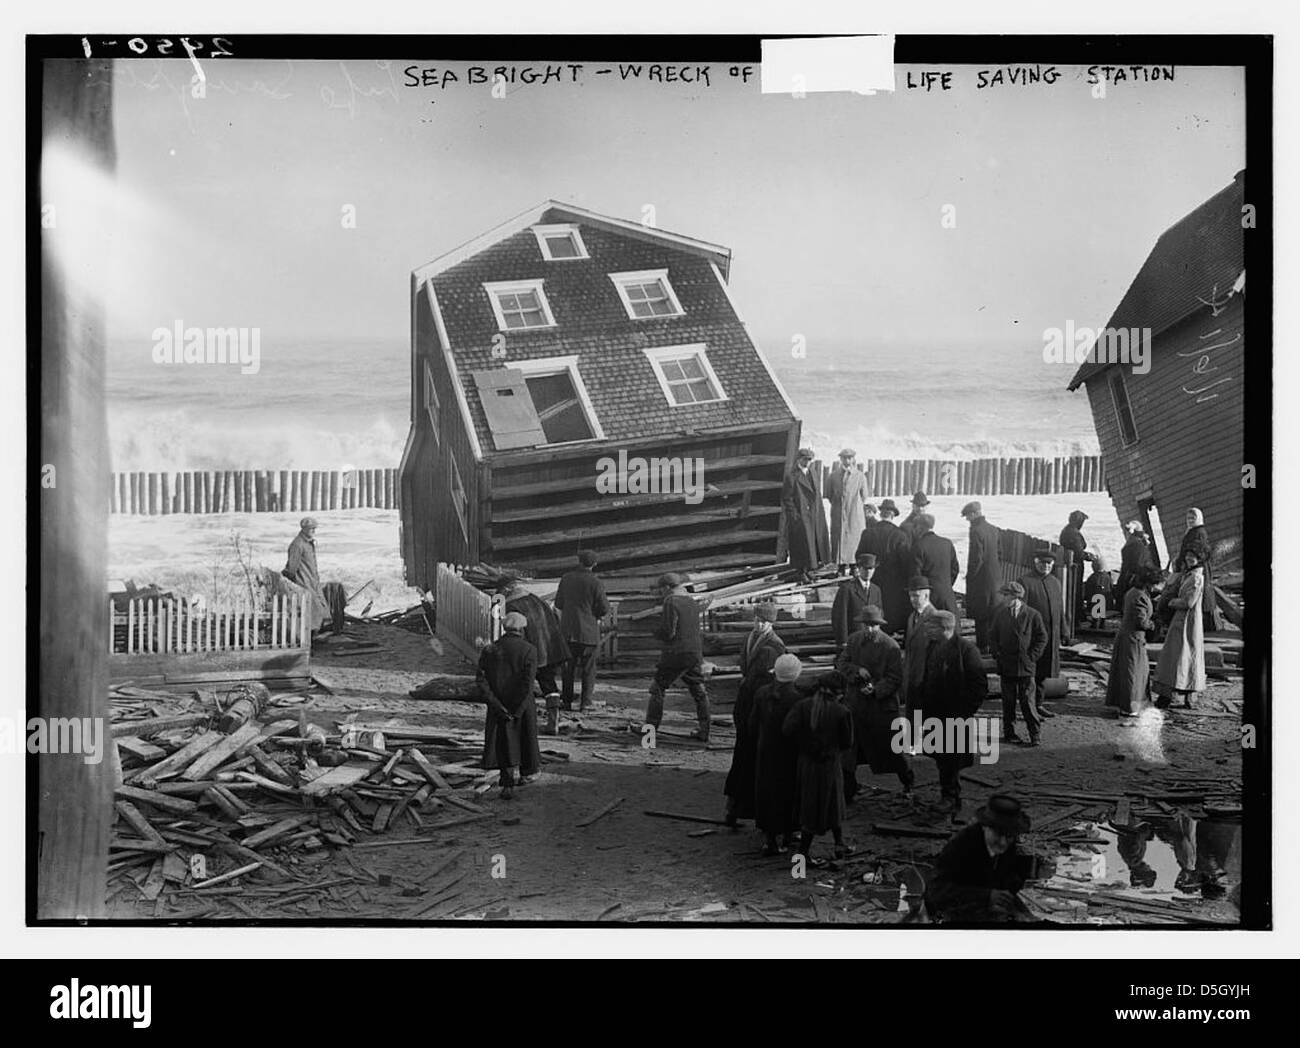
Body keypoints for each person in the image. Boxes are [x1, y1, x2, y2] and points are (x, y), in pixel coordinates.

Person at [912, 610, 988, 820]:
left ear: (944, 628)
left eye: (931, 626)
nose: (926, 630)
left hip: (955, 716)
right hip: (935, 714)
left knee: (951, 760)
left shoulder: (966, 650)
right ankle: (949, 795)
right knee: (941, 758)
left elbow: (980, 686)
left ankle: (951, 798)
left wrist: (964, 711)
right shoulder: (933, 646)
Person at [835, 604, 913, 801]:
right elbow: (841, 664)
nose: (869, 629)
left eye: (873, 625)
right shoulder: (853, 640)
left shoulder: (890, 647)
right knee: (849, 753)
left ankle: (907, 781)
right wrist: (856, 670)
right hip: (855, 705)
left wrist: (876, 689)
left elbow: (895, 678)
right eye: (866, 625)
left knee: (892, 751)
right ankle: (848, 791)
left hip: (881, 708)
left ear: (879, 625)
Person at [924, 794, 1035, 923]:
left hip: (988, 906)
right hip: (954, 911)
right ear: (985, 827)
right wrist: (987, 896)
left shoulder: (1009, 845)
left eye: (1009, 836)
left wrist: (1021, 912)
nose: (1003, 842)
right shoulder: (960, 846)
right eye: (998, 835)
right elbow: (935, 893)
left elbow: (1009, 883)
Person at [782, 670, 855, 863]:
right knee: (832, 804)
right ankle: (833, 845)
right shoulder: (841, 711)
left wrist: (806, 746)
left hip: (807, 764)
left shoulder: (802, 706)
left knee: (810, 805)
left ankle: (808, 849)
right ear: (839, 692)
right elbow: (847, 742)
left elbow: (787, 730)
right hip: (830, 765)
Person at [724, 604, 785, 827]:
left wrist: (748, 684)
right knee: (743, 758)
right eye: (757, 620)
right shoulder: (751, 638)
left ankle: (749, 811)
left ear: (772, 623)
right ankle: (733, 808)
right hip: (746, 704)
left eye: (764, 621)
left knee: (753, 761)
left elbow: (766, 678)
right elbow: (744, 665)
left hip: (759, 705)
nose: (759, 624)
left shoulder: (774, 646)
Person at [477, 612, 540, 799]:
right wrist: (518, 709)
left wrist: (496, 704)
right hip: (522, 704)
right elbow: (528, 683)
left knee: (502, 742)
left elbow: (481, 681)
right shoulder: (529, 650)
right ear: (521, 629)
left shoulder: (490, 650)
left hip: (498, 705)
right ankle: (526, 774)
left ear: (504, 628)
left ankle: (507, 781)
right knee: (524, 739)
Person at [499, 574, 570, 735]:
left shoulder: (513, 605)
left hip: (531, 651)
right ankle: (554, 720)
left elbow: (518, 631)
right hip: (551, 648)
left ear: (506, 590)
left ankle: (524, 721)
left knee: (523, 686)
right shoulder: (536, 600)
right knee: (549, 685)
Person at [645, 573, 711, 741]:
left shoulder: (671, 601)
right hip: (694, 653)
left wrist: (655, 633)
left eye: (661, 590)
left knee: (657, 688)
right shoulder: (691, 601)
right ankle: (704, 731)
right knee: (699, 690)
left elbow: (669, 632)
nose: (661, 593)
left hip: (676, 653)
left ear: (667, 587)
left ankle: (650, 731)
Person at [751, 654, 804, 856]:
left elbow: (752, 724)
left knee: (767, 792)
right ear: (796, 674)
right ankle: (790, 831)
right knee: (790, 792)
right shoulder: (798, 699)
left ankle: (769, 838)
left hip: (766, 750)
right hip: (789, 752)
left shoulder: (762, 693)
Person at [989, 582, 1047, 746]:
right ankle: (1009, 733)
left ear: (1016, 597)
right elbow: (992, 636)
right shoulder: (1000, 614)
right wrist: (997, 654)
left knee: (1028, 703)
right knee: (1008, 703)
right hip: (1006, 665)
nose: (1004, 598)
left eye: (1006, 595)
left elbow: (1042, 638)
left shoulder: (1032, 614)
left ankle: (1035, 734)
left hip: (1025, 667)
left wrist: (1032, 656)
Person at [554, 550, 608, 713]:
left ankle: (567, 702)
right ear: (595, 564)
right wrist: (593, 615)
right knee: (588, 669)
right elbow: (604, 608)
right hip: (588, 632)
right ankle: (585, 703)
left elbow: (558, 603)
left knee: (567, 669)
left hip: (568, 631)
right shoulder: (595, 582)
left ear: (578, 561)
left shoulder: (566, 578)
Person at [1153, 551, 1207, 709]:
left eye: (1193, 556)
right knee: (1182, 657)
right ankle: (1185, 696)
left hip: (1186, 622)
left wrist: (1170, 602)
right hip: (1183, 621)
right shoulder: (1189, 575)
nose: (1189, 559)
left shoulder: (1196, 577)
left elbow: (1188, 602)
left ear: (1199, 559)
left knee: (1178, 657)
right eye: (1187, 556)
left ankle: (1169, 696)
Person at [1105, 566, 1160, 715]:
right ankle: (1130, 706)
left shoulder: (1132, 592)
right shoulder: (1140, 596)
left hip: (1127, 636)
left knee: (1125, 671)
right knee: (1133, 673)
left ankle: (1122, 702)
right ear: (1147, 583)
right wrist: (1153, 624)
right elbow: (1141, 621)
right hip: (1134, 638)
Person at [1020, 547, 1066, 720]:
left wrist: (1064, 630)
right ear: (1036, 562)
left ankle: (1038, 704)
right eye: (1043, 563)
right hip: (1033, 637)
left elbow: (1060, 609)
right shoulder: (1025, 581)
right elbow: (1021, 612)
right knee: (1030, 673)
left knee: (1043, 673)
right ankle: (1029, 708)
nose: (1046, 566)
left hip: (1051, 636)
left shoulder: (1055, 582)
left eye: (1049, 563)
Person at [860, 499, 912, 632]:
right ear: (893, 515)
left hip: (872, 578)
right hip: (894, 582)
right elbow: (906, 562)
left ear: (881, 514)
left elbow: (859, 556)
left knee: (874, 606)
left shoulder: (868, 533)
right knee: (891, 609)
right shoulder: (900, 535)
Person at [781, 447, 830, 580]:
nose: (808, 462)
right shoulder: (792, 476)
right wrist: (795, 517)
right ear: (799, 459)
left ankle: (810, 569)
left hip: (814, 514)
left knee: (812, 543)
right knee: (801, 543)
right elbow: (787, 499)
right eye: (805, 460)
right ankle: (801, 571)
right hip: (801, 515)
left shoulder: (813, 473)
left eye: (810, 460)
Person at [962, 502, 1001, 653]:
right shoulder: (993, 529)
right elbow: (999, 553)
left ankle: (983, 647)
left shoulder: (976, 531)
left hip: (981, 580)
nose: (967, 520)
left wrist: (970, 576)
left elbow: (976, 558)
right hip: (994, 578)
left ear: (974, 514)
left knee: (981, 614)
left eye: (967, 516)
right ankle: (993, 646)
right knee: (993, 613)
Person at [1175, 507, 1220, 633]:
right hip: (1191, 565)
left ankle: (1206, 625)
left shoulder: (1199, 532)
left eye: (1193, 518)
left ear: (1198, 518)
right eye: (1188, 518)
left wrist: (1188, 558)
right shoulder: (1192, 531)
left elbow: (1200, 550)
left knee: (1199, 592)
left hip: (1198, 567)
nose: (1190, 520)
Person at [283, 517, 329, 634]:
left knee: (320, 606)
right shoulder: (297, 545)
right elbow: (291, 568)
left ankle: (316, 632)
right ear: (303, 529)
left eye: (314, 528)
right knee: (314, 607)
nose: (313, 530)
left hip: (313, 581)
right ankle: (312, 634)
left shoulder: (309, 543)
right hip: (303, 581)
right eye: (311, 528)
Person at [826, 448, 868, 572]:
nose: (847, 461)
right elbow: (828, 494)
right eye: (844, 458)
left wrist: (854, 505)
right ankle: (841, 566)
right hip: (838, 512)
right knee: (839, 538)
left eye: (849, 458)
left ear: (853, 459)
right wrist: (839, 505)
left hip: (854, 513)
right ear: (840, 459)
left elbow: (864, 495)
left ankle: (854, 565)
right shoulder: (833, 476)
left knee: (854, 538)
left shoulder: (860, 476)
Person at [900, 576, 937, 713]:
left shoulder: (934, 617)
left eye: (916, 596)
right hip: (911, 679)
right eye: (910, 596)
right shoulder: (912, 617)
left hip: (925, 682)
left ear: (926, 595)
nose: (912, 600)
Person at [911, 513, 960, 615]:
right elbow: (955, 569)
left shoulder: (918, 546)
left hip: (929, 598)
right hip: (947, 594)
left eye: (915, 527)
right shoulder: (947, 543)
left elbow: (916, 575)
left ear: (920, 527)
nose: (914, 530)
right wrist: (946, 585)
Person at [831, 553, 882, 649]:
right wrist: (843, 641)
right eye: (865, 568)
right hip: (853, 640)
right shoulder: (847, 589)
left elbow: (879, 615)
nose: (868, 572)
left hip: (872, 640)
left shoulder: (876, 590)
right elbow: (840, 617)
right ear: (859, 569)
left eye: (871, 569)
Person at [1059, 510, 1093, 627]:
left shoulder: (1066, 530)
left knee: (1072, 591)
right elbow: (1079, 553)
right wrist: (1089, 557)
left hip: (1068, 564)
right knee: (1076, 591)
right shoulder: (1074, 533)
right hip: (1075, 567)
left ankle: (1076, 616)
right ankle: (1076, 618)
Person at [1116, 520, 1158, 607]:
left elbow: (1135, 565)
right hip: (1134, 579)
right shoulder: (1139, 545)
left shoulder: (1133, 545)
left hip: (1129, 578)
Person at [1082, 555, 1114, 628]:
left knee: (1095, 613)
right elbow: (1111, 587)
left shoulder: (1092, 577)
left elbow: (1088, 588)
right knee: (1103, 613)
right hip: (1105, 598)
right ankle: (1102, 624)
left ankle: (1095, 623)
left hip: (1095, 599)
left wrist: (1086, 597)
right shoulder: (1107, 577)